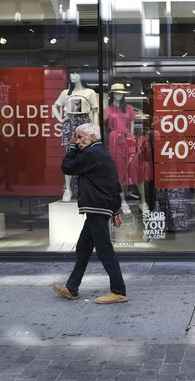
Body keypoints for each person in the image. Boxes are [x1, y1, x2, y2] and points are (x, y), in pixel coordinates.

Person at [52, 123, 127, 304]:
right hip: (99, 207)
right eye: (76, 138)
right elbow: (114, 183)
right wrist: (116, 209)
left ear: (92, 137)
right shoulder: (100, 153)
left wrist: (70, 148)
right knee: (83, 248)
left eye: (80, 137)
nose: (77, 142)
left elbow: (67, 167)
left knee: (104, 249)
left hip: (97, 207)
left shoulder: (91, 153)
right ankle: (72, 287)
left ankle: (118, 291)